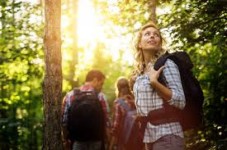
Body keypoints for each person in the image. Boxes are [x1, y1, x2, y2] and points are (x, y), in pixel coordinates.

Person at [130, 21, 186, 150]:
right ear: (139, 43)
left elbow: (180, 101)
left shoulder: (167, 64)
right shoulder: (139, 73)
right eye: (147, 34)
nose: (152, 36)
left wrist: (155, 83)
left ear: (160, 42)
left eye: (156, 35)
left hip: (168, 135)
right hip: (149, 136)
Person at [61, 69, 111, 150]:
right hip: (96, 140)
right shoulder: (100, 97)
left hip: (77, 141)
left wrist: (66, 140)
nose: (101, 87)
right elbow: (107, 121)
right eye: (101, 83)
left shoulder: (70, 95)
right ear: (95, 80)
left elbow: (64, 121)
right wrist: (108, 142)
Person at [109, 77, 137, 150]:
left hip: (124, 141)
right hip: (139, 140)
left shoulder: (118, 103)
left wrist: (110, 146)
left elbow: (116, 127)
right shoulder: (136, 101)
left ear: (118, 88)